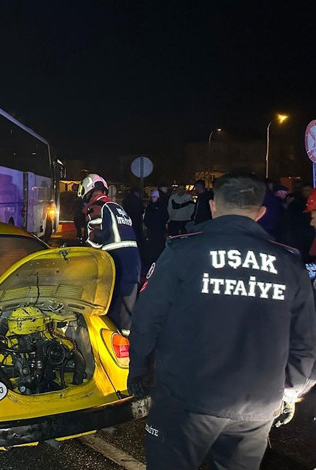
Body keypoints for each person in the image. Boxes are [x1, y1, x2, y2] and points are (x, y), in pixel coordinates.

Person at [127, 171, 316, 470]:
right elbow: (306, 340)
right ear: (260, 213)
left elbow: (146, 319)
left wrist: (138, 370)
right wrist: (289, 392)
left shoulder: (183, 249)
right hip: (257, 403)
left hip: (186, 398)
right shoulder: (289, 261)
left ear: (213, 206)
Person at [78, 174, 141, 334]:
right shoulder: (115, 206)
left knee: (108, 306)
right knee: (127, 309)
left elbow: (95, 239)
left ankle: (109, 348)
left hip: (115, 259)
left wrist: (84, 254)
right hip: (133, 259)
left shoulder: (96, 206)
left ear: (88, 189)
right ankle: (128, 348)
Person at [142, 189, 168, 270]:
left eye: (155, 197)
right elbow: (147, 218)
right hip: (152, 231)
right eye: (152, 197)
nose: (153, 198)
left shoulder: (162, 206)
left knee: (158, 246)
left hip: (159, 231)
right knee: (152, 246)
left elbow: (165, 217)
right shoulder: (150, 206)